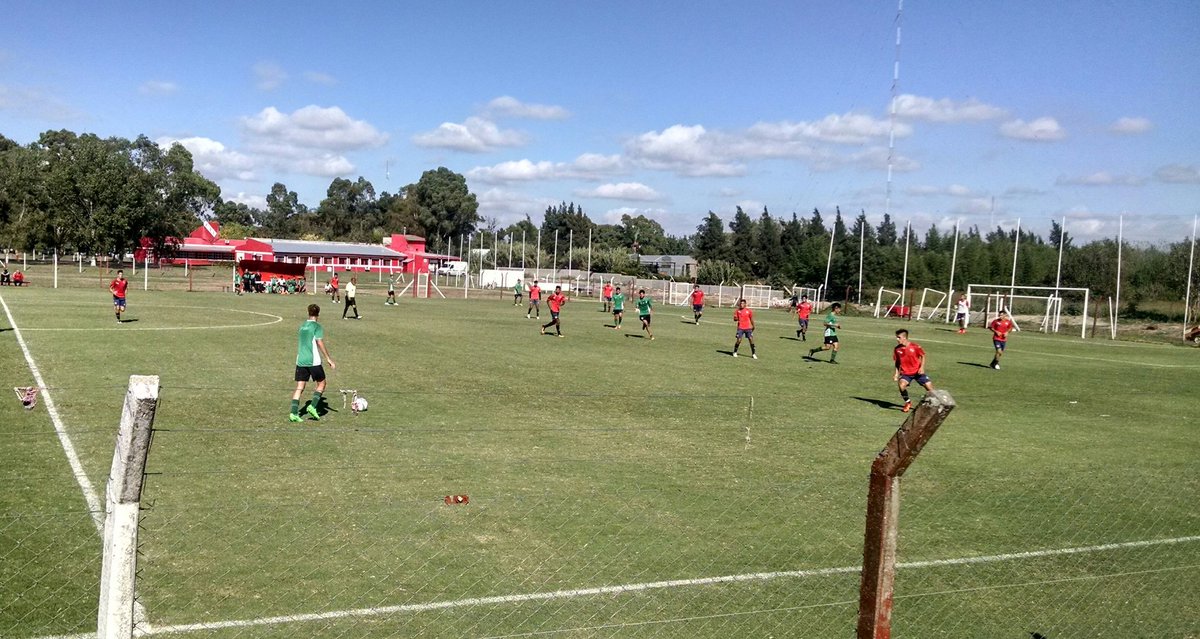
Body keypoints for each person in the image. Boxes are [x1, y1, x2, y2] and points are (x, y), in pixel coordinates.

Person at [290, 304, 335, 423]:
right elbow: (319, 342)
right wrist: (328, 358)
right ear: (318, 314)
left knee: (300, 387)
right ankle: (313, 406)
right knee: (322, 384)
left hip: (300, 360)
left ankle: (293, 413)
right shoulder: (317, 326)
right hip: (313, 361)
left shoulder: (302, 326)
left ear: (308, 313)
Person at [893, 329, 934, 413]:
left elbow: (923, 356)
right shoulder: (897, 349)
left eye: (899, 337)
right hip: (906, 373)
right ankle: (908, 403)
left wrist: (922, 367)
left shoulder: (915, 347)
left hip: (917, 372)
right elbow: (897, 362)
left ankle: (933, 405)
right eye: (897, 337)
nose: (897, 339)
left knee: (930, 389)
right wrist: (896, 373)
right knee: (901, 385)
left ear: (904, 338)